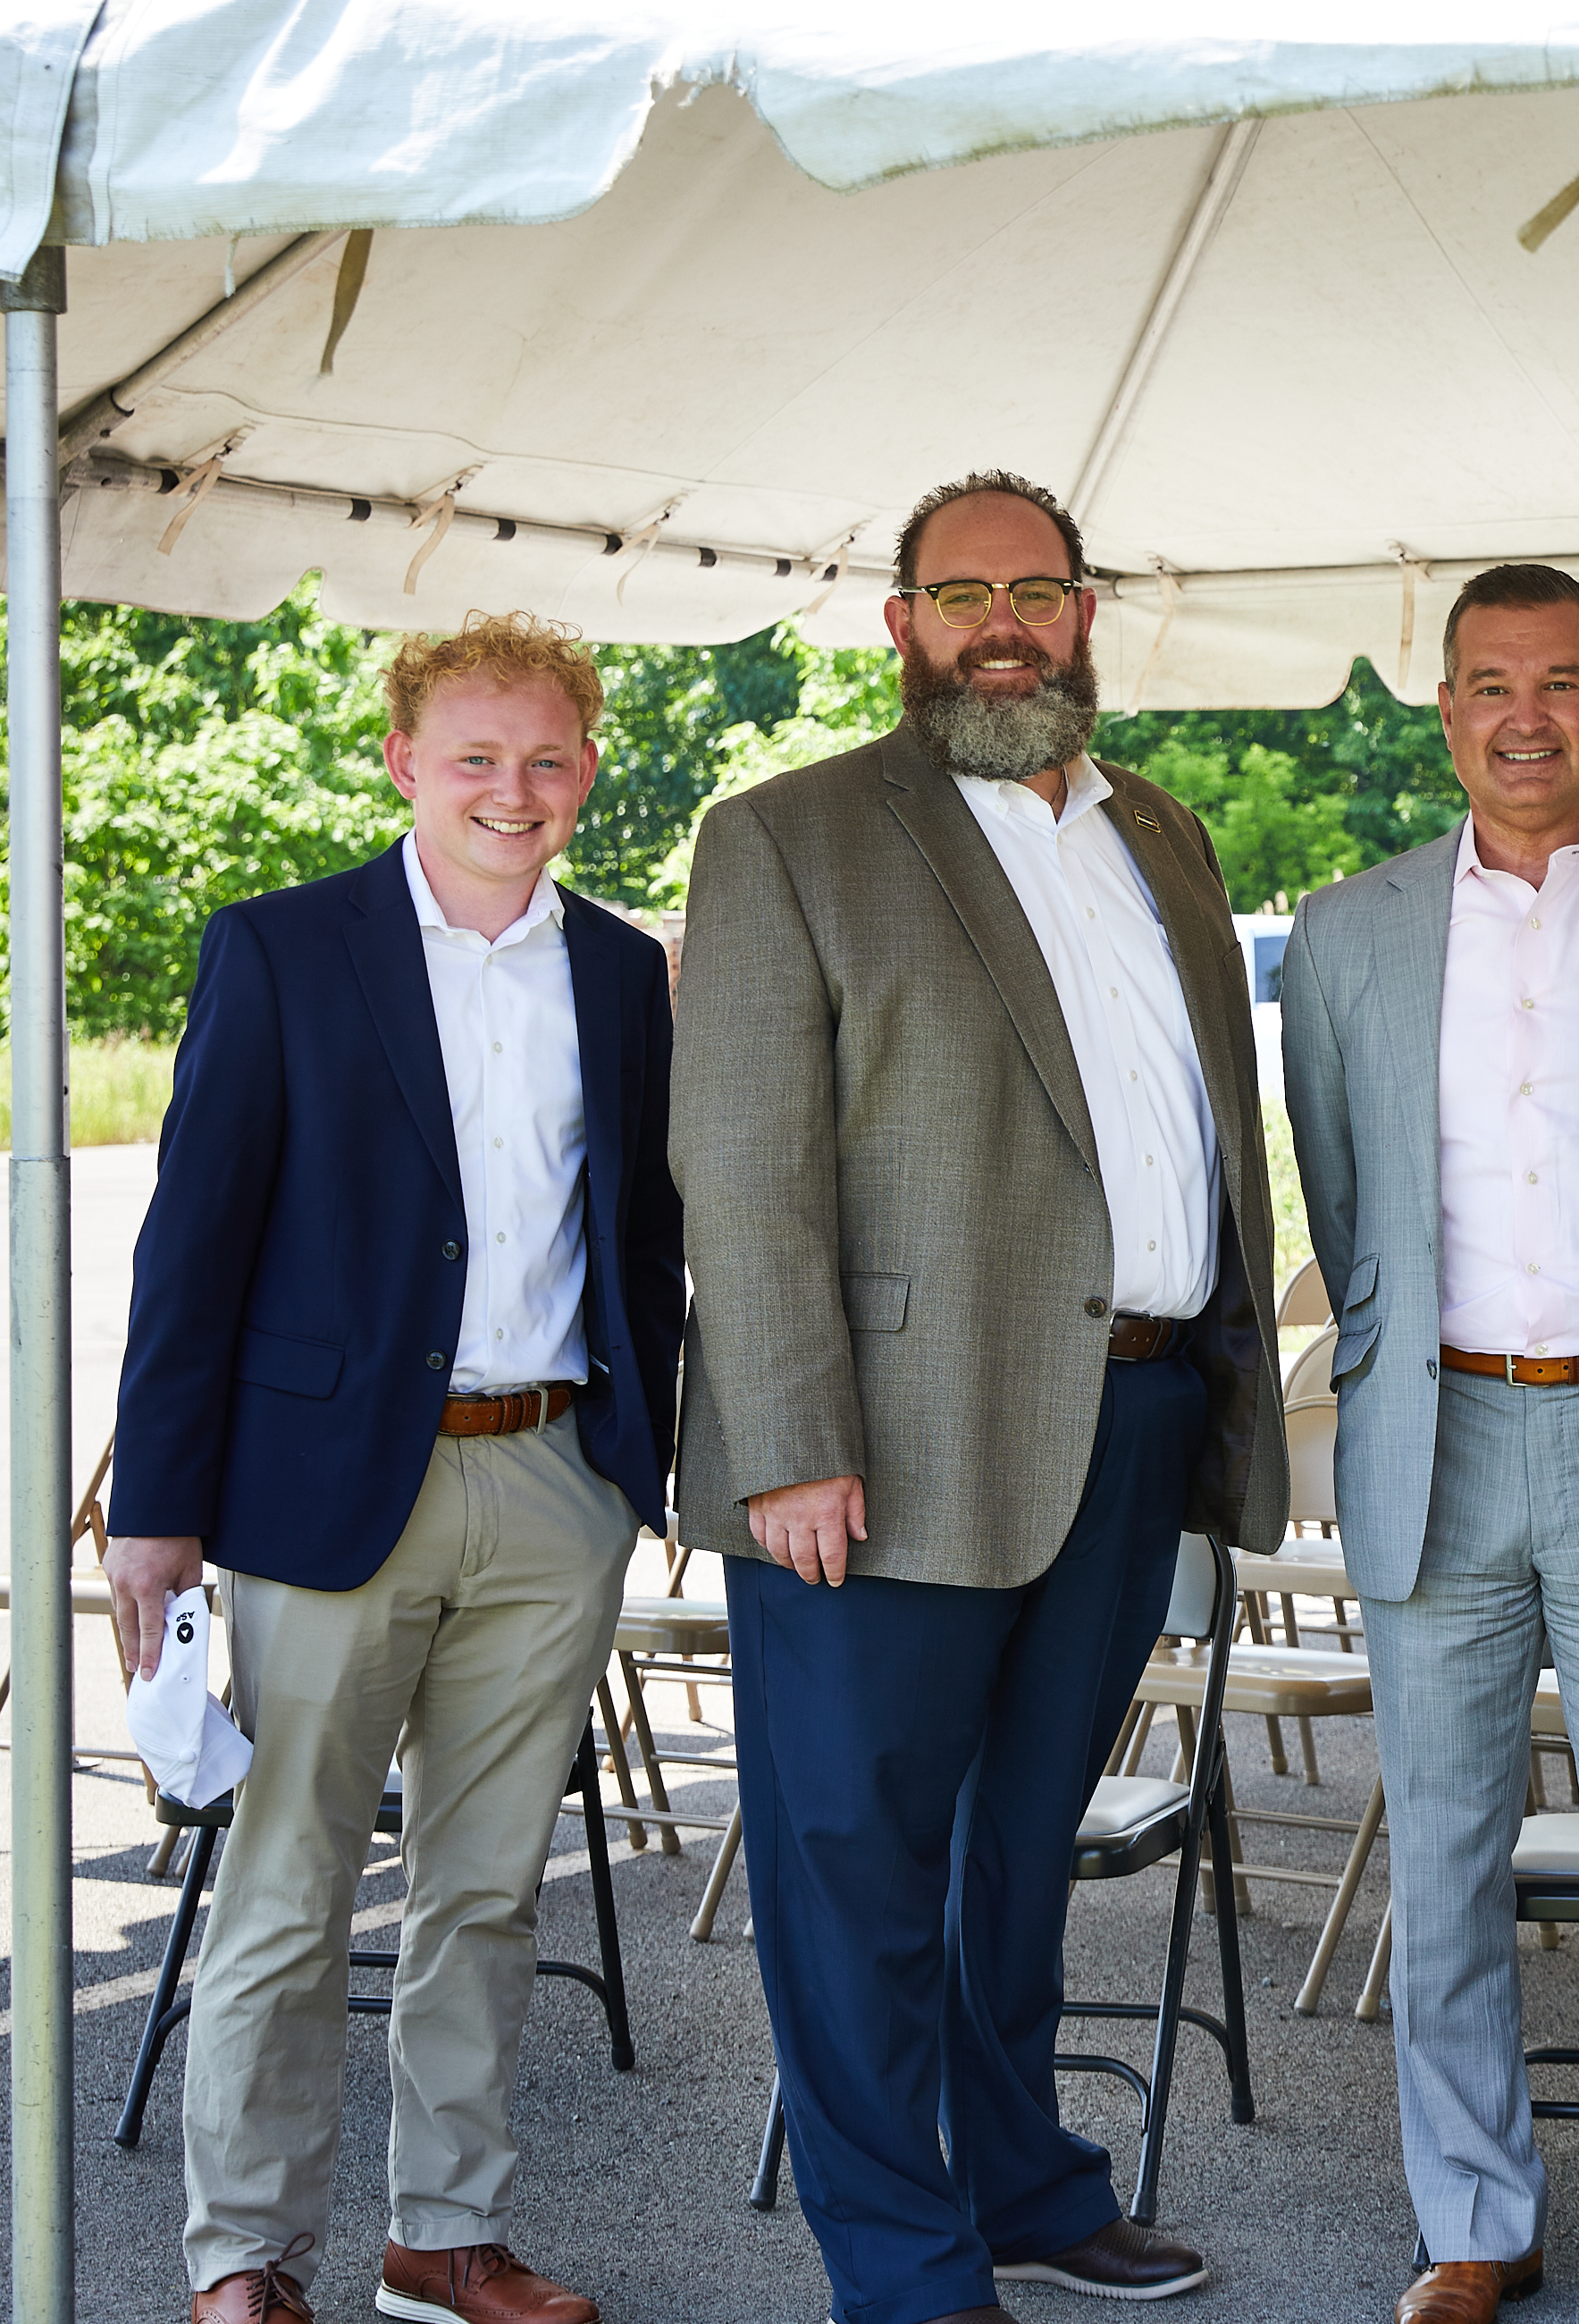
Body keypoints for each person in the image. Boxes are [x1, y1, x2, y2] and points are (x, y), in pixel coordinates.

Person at [673, 471, 1288, 2324]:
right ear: (902, 625)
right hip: (882, 1448)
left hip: (1136, 1416)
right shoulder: (791, 833)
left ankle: (1024, 2182)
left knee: (1022, 1854)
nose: (1001, 621)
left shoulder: (1159, 833)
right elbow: (745, 1161)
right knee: (857, 1866)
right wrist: (788, 1440)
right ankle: (903, 2263)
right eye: (962, 593)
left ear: (1087, 609)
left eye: (1035, 587)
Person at [103, 613, 683, 2324]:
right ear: (402, 766)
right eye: (477, 757)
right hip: (323, 1494)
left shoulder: (620, 972)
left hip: (554, 1479)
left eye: (548, 757)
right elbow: (190, 1245)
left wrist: (639, 1464)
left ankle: (448, 2235)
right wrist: (157, 1505)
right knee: (286, 1894)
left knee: (489, 1890)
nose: (517, 789)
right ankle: (244, 2261)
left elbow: (641, 1236)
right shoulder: (284, 950)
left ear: (587, 768)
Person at [1282, 561, 1579, 2324]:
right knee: (1446, 1855)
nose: (1525, 715)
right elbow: (1344, 1186)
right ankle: (1474, 2213)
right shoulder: (1349, 930)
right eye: (1489, 683)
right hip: (1437, 1434)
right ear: (1446, 707)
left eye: (1560, 682)